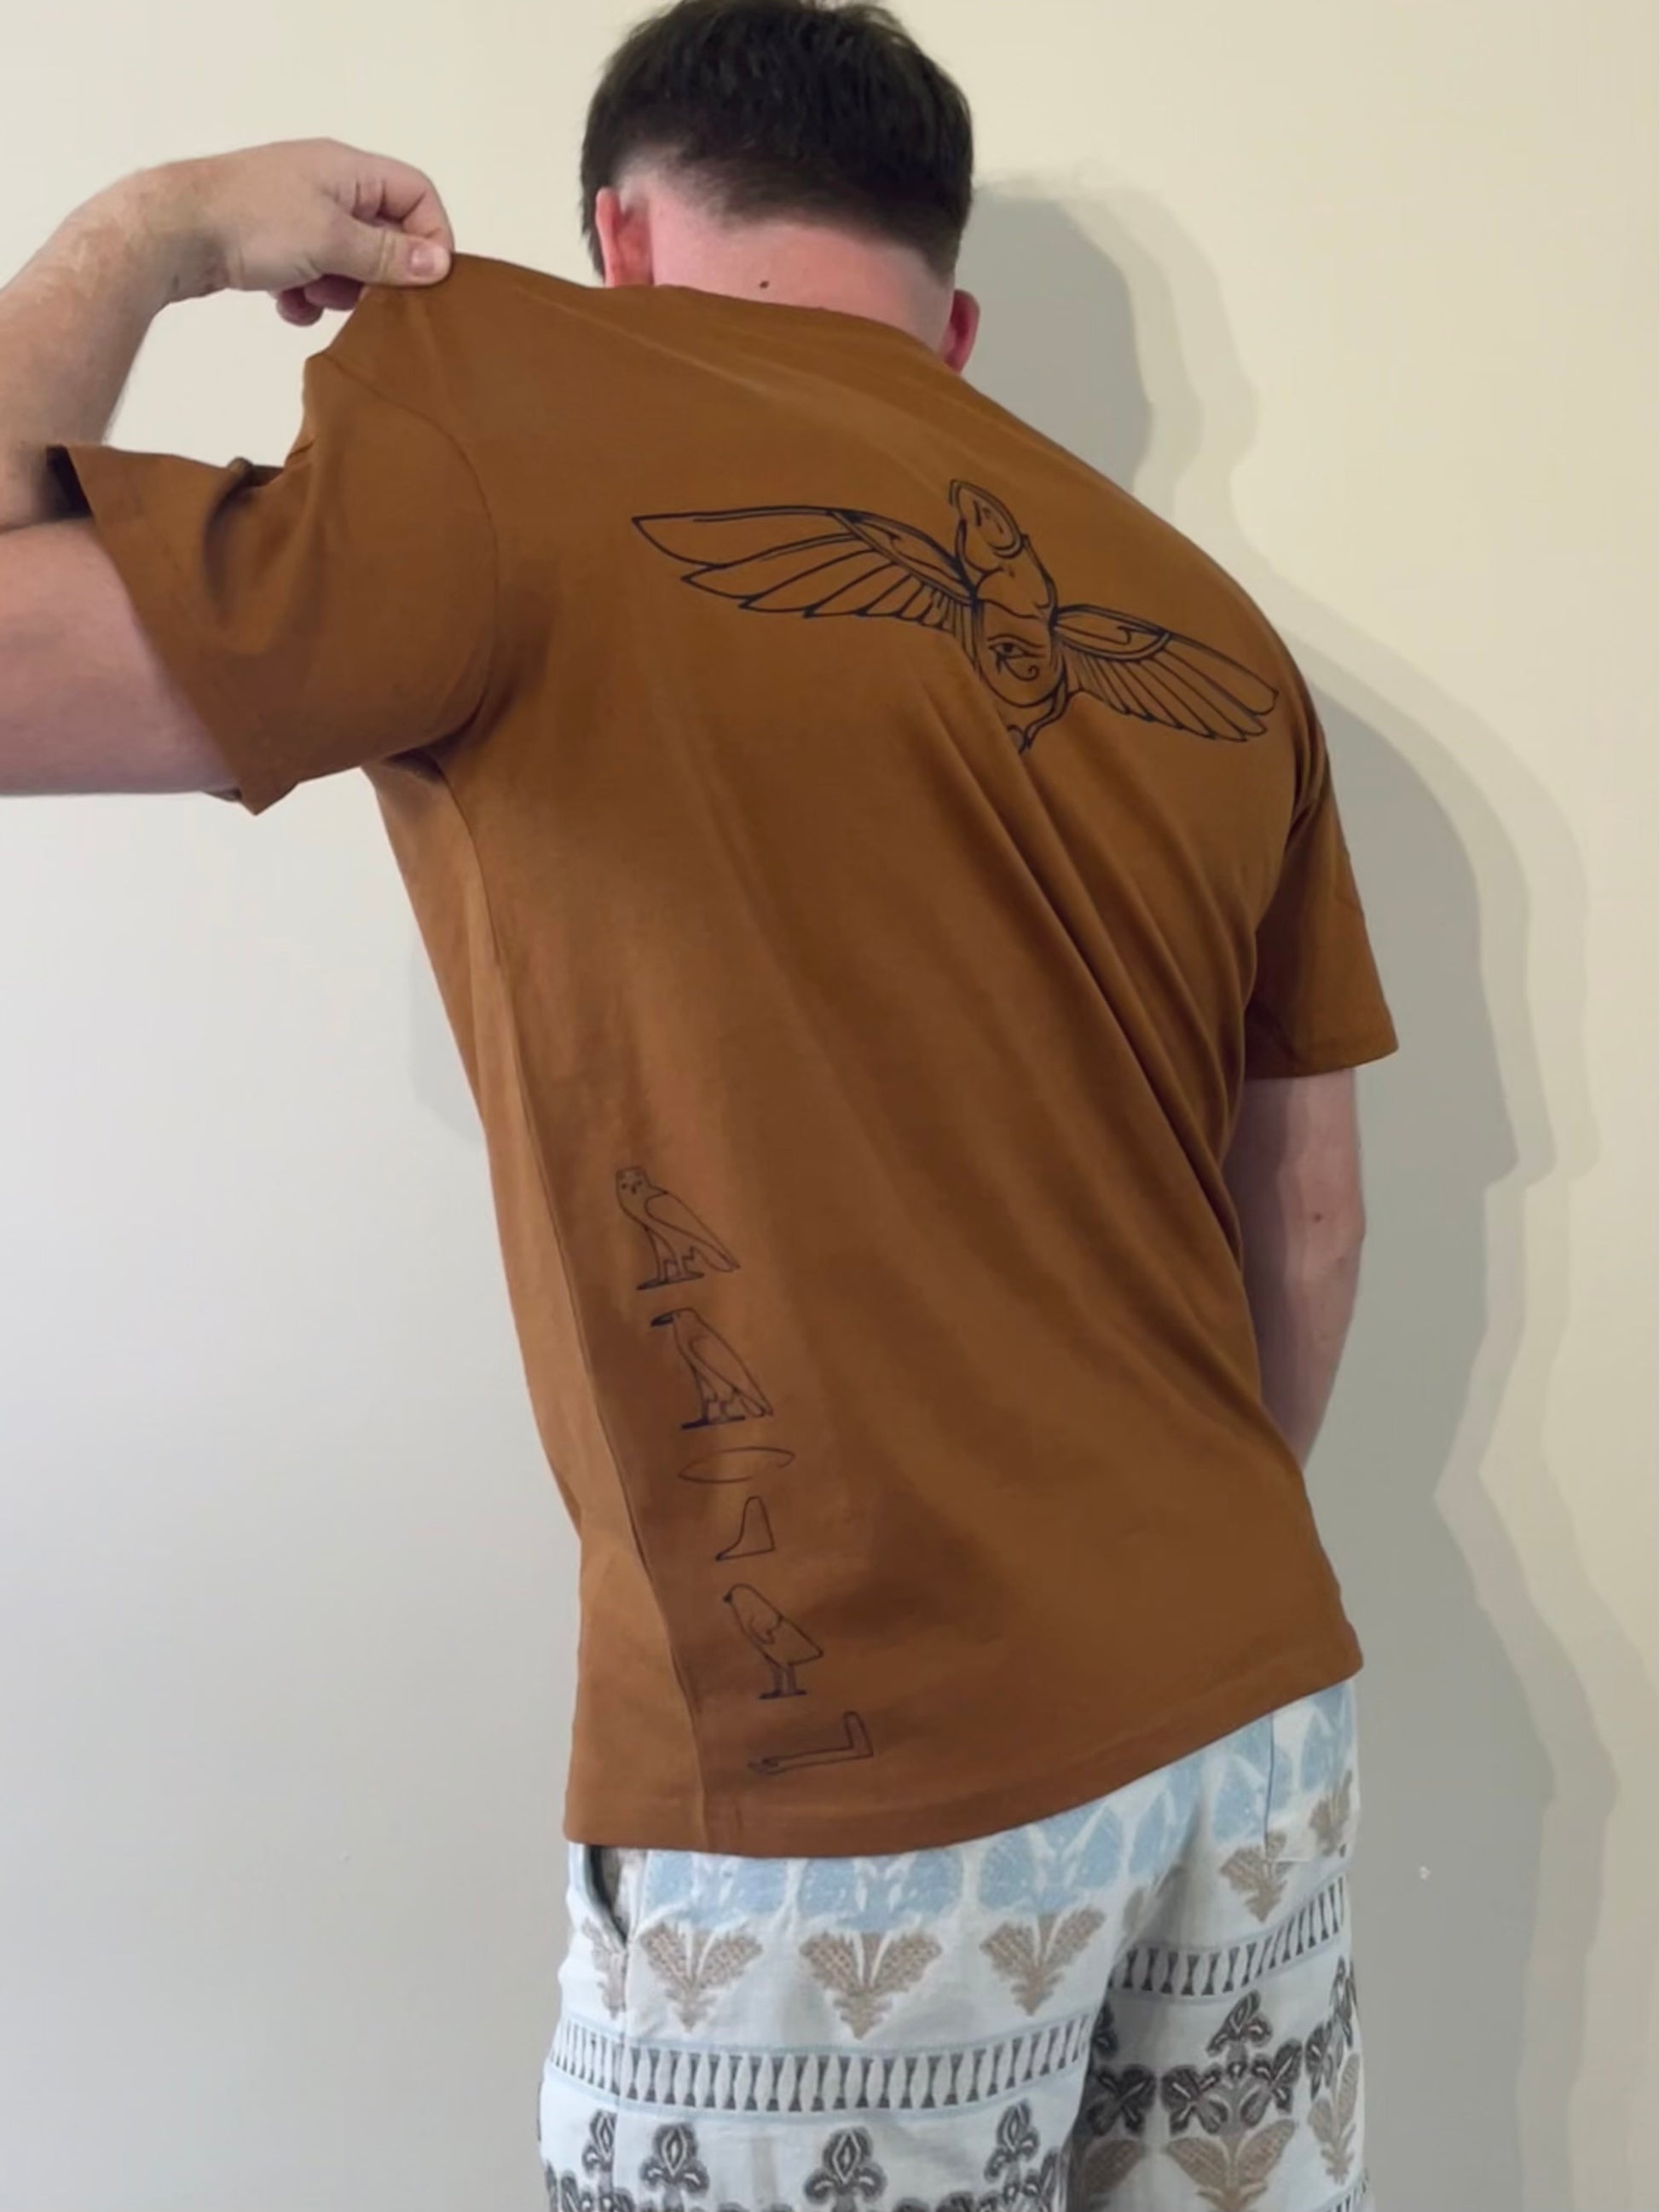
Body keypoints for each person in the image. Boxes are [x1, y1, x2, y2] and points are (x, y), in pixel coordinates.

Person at [0, 1, 1397, 2203]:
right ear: (948, 315)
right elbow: (1306, 1216)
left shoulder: (518, 406)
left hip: (861, 1783)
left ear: (620, 237)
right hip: (1253, 1712)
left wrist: (152, 227)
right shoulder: (1211, 631)